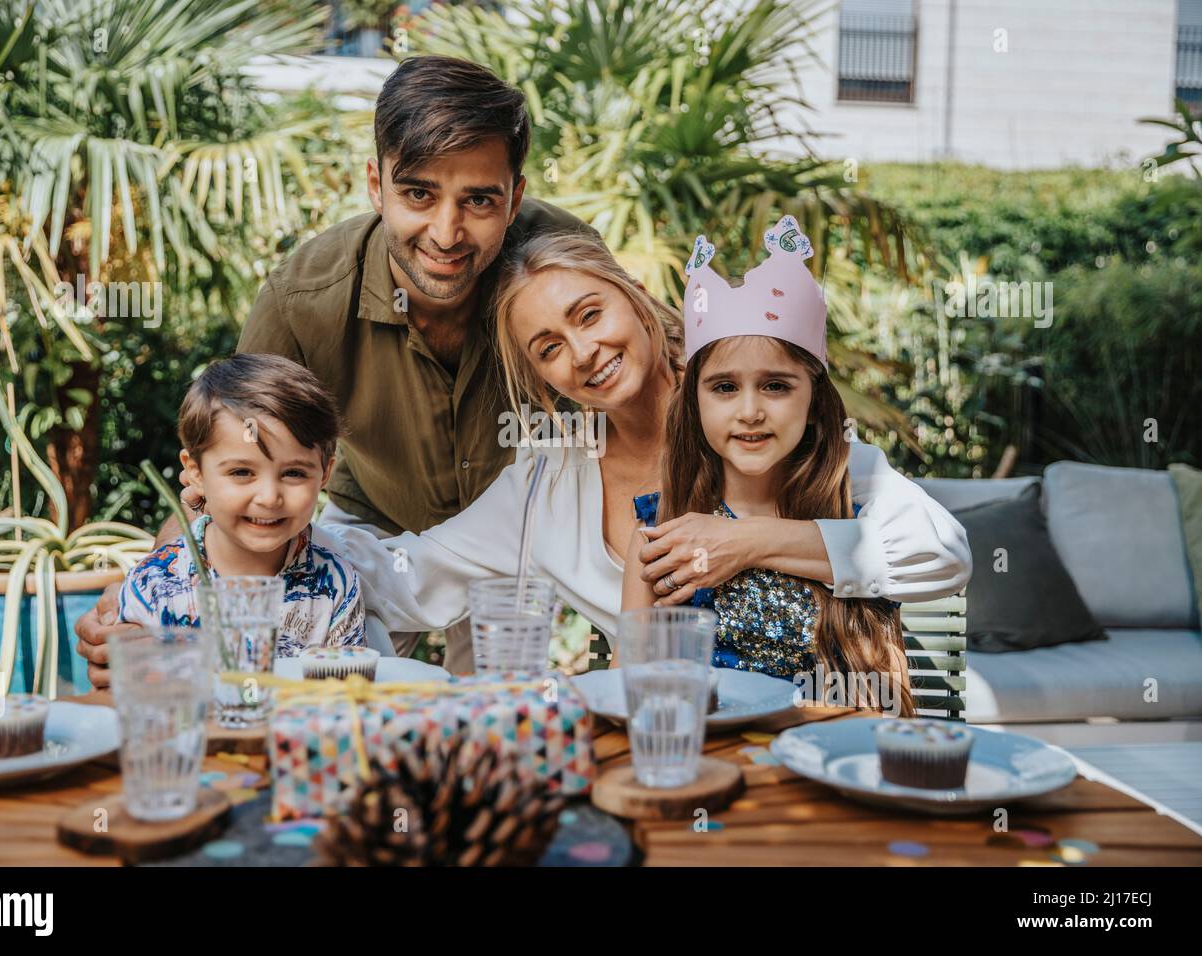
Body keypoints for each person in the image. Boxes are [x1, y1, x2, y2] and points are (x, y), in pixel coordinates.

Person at [76, 55, 599, 685]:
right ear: (376, 187)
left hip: (517, 524)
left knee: (497, 709)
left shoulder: (566, 266)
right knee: (346, 697)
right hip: (370, 518)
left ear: (514, 197)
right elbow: (226, 460)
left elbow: (645, 398)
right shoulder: (303, 298)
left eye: (479, 200)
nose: (446, 231)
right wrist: (145, 594)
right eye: (418, 194)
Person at [319, 227, 971, 650]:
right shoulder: (550, 485)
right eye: (548, 347)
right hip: (676, 743)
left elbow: (939, 553)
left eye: (589, 314)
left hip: (810, 740)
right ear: (541, 376)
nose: (583, 351)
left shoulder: (754, 411)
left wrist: (744, 543)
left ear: (634, 296)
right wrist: (266, 523)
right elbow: (411, 576)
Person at [621, 219, 913, 715]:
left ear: (813, 402)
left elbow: (883, 707)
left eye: (776, 386)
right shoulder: (660, 534)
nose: (751, 411)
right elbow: (626, 689)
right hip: (709, 768)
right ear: (694, 401)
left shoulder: (859, 521)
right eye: (725, 387)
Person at [117, 354, 364, 658]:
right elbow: (136, 696)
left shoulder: (338, 584)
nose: (269, 497)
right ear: (196, 473)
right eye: (242, 472)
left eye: (294, 473)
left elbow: (349, 694)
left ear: (325, 473)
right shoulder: (153, 585)